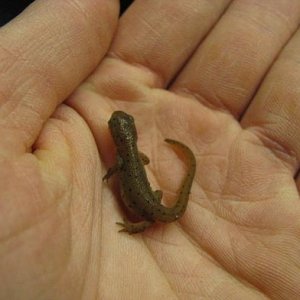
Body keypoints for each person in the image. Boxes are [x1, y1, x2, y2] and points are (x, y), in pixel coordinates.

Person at [0, 0, 299, 299]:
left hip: (148, 212)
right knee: (150, 196)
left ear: (121, 137)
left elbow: (123, 168)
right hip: (150, 200)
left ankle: (140, 222)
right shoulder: (132, 155)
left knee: (148, 211)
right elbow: (137, 160)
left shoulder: (121, 160)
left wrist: (131, 218)